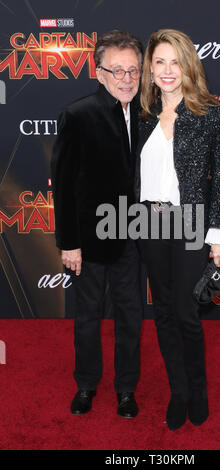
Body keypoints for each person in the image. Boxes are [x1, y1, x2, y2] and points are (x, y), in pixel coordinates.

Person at [136, 29, 220, 430]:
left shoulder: (212, 114)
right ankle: (178, 390)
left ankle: (198, 389)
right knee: (161, 313)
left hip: (190, 222)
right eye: (159, 62)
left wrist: (218, 236)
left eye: (175, 61)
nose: (167, 70)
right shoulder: (140, 115)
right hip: (148, 223)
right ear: (150, 68)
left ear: (188, 64)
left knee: (185, 314)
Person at [51, 30, 143, 418]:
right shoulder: (79, 114)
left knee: (131, 319)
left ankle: (126, 389)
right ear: (98, 72)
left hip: (133, 237)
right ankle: (86, 385)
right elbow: (64, 185)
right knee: (87, 318)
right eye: (117, 70)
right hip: (88, 241)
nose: (126, 79)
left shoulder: (148, 114)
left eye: (133, 71)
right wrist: (69, 243)